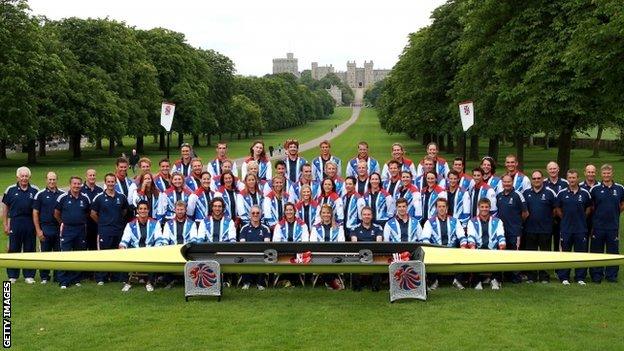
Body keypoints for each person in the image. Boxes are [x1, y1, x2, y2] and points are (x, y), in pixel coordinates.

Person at [91, 173, 129, 285]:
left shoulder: (121, 197)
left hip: (118, 230)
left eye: (113, 181)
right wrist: (103, 223)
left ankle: (117, 276)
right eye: (109, 181)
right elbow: (93, 213)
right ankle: (101, 278)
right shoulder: (99, 198)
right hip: (105, 231)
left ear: (115, 183)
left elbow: (124, 211)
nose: (111, 183)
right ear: (105, 183)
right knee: (104, 254)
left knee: (118, 254)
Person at [555, 169, 591, 286]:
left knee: (581, 254)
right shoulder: (562, 193)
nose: (572, 180)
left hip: (581, 229)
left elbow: (589, 208)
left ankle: (580, 277)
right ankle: (564, 277)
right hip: (566, 229)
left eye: (574, 178)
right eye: (569, 178)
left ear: (578, 178)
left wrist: (581, 217)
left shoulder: (585, 193)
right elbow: (558, 209)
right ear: (567, 179)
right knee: (565, 254)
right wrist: (564, 218)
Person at [2, 167, 39, 284]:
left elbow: (38, 210)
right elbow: (5, 208)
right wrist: (5, 224)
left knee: (30, 248)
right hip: (15, 222)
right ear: (17, 177)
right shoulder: (10, 189)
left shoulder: (35, 190)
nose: (24, 178)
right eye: (22, 176)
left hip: (30, 222)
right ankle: (13, 275)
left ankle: (29, 275)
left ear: (29, 177)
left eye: (26, 176)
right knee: (13, 249)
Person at [421, 198, 467, 290]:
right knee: (428, 255)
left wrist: (463, 246)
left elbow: (461, 236)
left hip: (452, 250)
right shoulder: (429, 222)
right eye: (439, 206)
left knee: (463, 252)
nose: (441, 209)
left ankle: (457, 281)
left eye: (443, 206)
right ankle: (434, 281)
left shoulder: (455, 221)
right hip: (436, 251)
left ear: (447, 208)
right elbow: (425, 238)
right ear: (436, 208)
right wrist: (431, 250)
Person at [589, 164, 624, 283]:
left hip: (613, 226)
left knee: (613, 252)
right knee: (596, 252)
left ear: (612, 173)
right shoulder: (595, 189)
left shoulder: (619, 188)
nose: (606, 175)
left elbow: (622, 203)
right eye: (604, 173)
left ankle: (611, 275)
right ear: (601, 174)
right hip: (598, 226)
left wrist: (616, 211)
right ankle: (596, 275)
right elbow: (591, 206)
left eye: (608, 173)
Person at [54, 176, 91, 289]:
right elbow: (56, 213)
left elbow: (88, 213)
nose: (76, 186)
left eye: (78, 184)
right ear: (70, 184)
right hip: (67, 230)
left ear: (81, 185)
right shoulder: (63, 197)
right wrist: (64, 223)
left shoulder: (85, 198)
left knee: (78, 255)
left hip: (80, 230)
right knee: (64, 254)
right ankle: (63, 281)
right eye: (74, 184)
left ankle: (76, 279)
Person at [119, 200, 162, 292]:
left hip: (150, 251)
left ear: (148, 210)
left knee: (155, 254)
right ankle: (128, 282)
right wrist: (122, 246)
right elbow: (125, 240)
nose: (143, 211)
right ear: (137, 211)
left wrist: (156, 248)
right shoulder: (130, 225)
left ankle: (149, 282)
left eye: (145, 209)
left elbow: (159, 239)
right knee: (122, 251)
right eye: (141, 209)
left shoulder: (155, 223)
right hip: (135, 251)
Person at [523, 170, 557, 283]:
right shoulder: (526, 193)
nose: (536, 180)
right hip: (530, 229)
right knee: (531, 254)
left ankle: (544, 276)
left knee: (545, 254)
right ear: (531, 180)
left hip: (545, 229)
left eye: (538, 178)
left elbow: (555, 210)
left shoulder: (549, 192)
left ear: (542, 179)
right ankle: (531, 276)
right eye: (534, 178)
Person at [466, 198, 506, 290]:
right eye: (482, 207)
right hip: (478, 249)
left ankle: (495, 280)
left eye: (486, 207)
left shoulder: (497, 221)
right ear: (479, 208)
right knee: (472, 254)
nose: (484, 209)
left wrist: (502, 246)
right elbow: (471, 236)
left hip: (493, 249)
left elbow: (500, 235)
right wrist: (472, 247)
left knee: (500, 253)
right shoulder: (472, 221)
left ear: (490, 208)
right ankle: (476, 282)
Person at [496, 174, 529, 283]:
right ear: (502, 183)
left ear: (512, 182)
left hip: (514, 230)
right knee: (504, 253)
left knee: (515, 253)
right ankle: (505, 275)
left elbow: (525, 213)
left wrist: (517, 223)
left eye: (509, 182)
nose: (507, 184)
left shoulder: (517, 195)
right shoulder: (499, 196)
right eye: (504, 182)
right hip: (502, 231)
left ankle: (516, 277)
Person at [33, 171, 63, 284]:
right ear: (46, 180)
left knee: (58, 253)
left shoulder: (61, 194)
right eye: (50, 179)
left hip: (57, 228)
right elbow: (35, 213)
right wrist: (38, 230)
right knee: (44, 254)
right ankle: (44, 276)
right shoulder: (40, 194)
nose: (52, 182)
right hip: (45, 228)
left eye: (54, 179)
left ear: (57, 180)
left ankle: (57, 276)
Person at [309, 204, 346, 290]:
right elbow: (312, 243)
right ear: (320, 214)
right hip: (319, 255)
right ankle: (333, 282)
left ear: (331, 214)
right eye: (323, 213)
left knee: (331, 260)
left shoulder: (339, 227)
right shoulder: (315, 228)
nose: (326, 215)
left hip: (335, 255)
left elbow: (341, 242)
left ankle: (329, 281)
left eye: (328, 213)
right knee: (323, 260)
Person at [350, 207, 383, 291]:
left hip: (374, 253)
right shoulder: (355, 228)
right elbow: (354, 243)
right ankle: (356, 287)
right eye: (364, 214)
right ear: (361, 216)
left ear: (372, 216)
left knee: (378, 259)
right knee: (354, 259)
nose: (366, 216)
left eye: (368, 214)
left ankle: (375, 287)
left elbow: (378, 242)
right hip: (359, 254)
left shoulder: (378, 227)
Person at [239, 205, 271, 290]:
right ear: (250, 215)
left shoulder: (265, 228)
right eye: (253, 213)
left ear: (260, 215)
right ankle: (246, 282)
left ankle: (260, 283)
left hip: (261, 254)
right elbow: (242, 245)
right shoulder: (244, 228)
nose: (255, 215)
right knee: (242, 257)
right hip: (247, 253)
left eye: (257, 213)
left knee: (265, 256)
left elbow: (266, 245)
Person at [543, 161, 568, 253]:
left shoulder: (565, 183)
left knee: (560, 242)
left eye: (554, 168)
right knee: (546, 242)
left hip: (561, 218)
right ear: (547, 170)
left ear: (558, 169)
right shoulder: (543, 183)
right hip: (547, 218)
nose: (552, 170)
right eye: (550, 169)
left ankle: (560, 265)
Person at [82, 169, 103, 250]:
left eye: (94, 175)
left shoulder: (100, 190)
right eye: (90, 175)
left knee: (94, 248)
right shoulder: (80, 189)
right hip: (84, 226)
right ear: (86, 176)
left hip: (96, 225)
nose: (92, 177)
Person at [580, 163, 599, 251]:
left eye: (593, 172)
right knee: (583, 246)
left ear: (595, 173)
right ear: (585, 173)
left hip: (598, 220)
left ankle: (594, 265)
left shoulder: (600, 186)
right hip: (583, 220)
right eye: (589, 172)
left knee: (596, 247)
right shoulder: (579, 186)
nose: (591, 174)